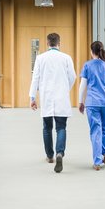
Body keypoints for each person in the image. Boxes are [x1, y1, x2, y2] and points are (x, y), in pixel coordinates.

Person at [29, 33, 76, 173]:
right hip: (61, 98)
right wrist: (65, 88)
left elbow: (35, 78)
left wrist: (32, 97)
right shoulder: (66, 58)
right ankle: (59, 153)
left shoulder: (40, 58)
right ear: (59, 43)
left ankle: (50, 156)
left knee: (47, 128)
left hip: (47, 98)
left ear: (47, 43)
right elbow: (73, 76)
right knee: (61, 128)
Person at [78, 41, 105, 170]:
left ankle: (97, 161)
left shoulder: (87, 66)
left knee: (96, 130)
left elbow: (82, 86)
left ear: (92, 52)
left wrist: (81, 102)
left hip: (92, 103)